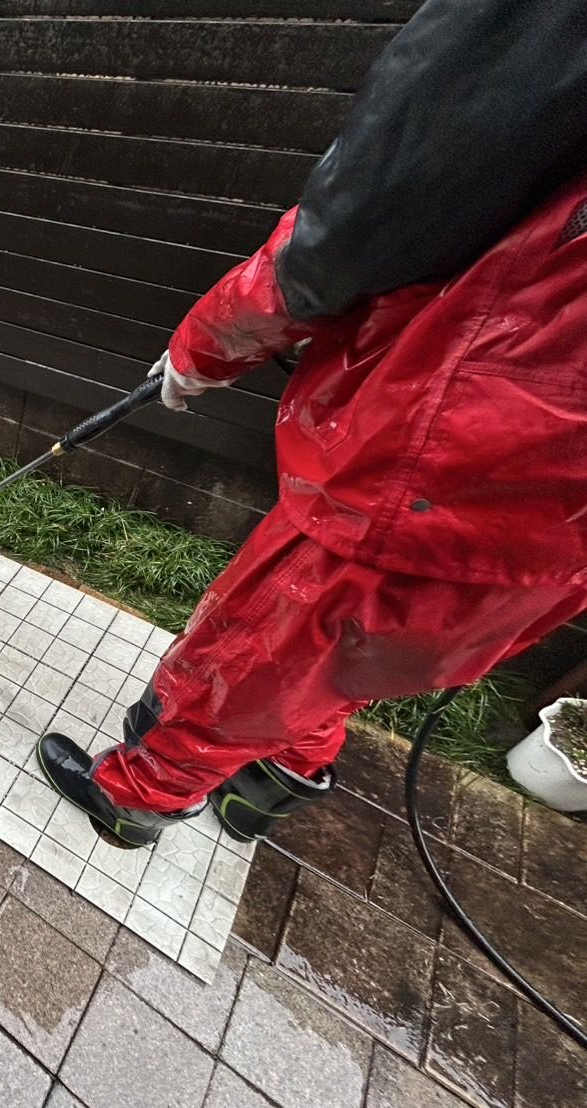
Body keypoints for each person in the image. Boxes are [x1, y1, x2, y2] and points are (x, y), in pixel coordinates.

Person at [37, 0, 587, 848]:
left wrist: (205, 347)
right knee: (346, 657)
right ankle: (276, 780)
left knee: (254, 654)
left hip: (448, 457)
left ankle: (136, 799)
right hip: (554, 527)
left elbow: (372, 211)